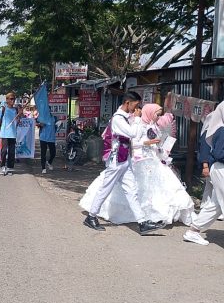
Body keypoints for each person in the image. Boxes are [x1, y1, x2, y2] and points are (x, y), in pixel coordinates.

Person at [81, 103, 193, 226]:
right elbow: (133, 142)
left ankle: (143, 221)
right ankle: (96, 215)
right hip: (135, 161)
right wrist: (148, 142)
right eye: (157, 114)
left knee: (137, 191)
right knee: (121, 188)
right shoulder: (131, 123)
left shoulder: (153, 126)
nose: (158, 117)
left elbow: (154, 144)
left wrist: (161, 149)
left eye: (159, 115)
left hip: (152, 160)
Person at [82, 91, 165, 235]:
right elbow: (134, 134)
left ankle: (142, 222)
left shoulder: (126, 117)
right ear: (128, 103)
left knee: (131, 190)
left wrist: (136, 120)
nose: (137, 108)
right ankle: (91, 216)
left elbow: (136, 135)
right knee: (105, 188)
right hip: (116, 160)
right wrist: (138, 120)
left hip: (124, 159)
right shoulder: (118, 119)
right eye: (136, 105)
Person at [183, 104, 224, 245]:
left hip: (219, 169)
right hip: (221, 169)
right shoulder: (221, 130)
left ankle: (193, 231)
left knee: (215, 205)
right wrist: (205, 165)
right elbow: (219, 154)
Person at [0, 92, 21, 175]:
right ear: (6, 100)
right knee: (3, 151)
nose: (12, 100)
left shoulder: (16, 110)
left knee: (11, 152)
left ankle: (10, 167)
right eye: (10, 99)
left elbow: (18, 122)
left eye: (13, 99)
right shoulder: (3, 109)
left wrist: (19, 116)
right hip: (4, 133)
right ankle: (3, 166)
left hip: (13, 133)